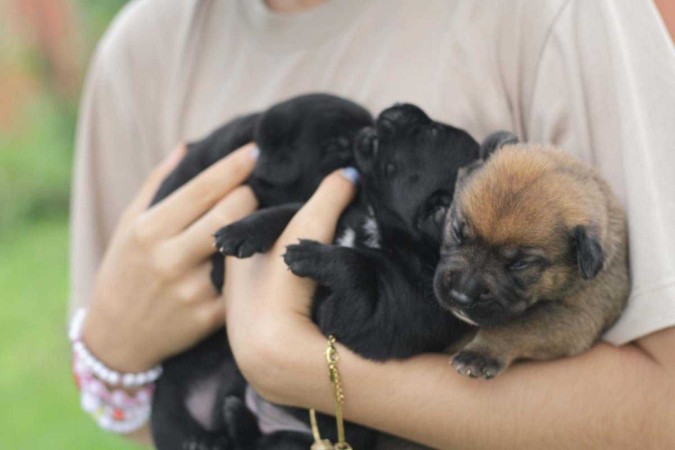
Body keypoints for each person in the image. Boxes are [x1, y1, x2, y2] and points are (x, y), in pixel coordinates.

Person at [70, 0, 675, 447]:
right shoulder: (138, 54)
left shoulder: (558, 15)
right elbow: (150, 409)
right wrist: (114, 352)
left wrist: (303, 367)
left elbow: (661, 411)